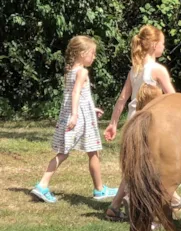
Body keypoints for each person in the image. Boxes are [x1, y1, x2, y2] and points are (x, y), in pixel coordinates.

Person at [101, 25, 181, 221]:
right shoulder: (157, 70)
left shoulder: (134, 70)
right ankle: (170, 199)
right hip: (150, 123)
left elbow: (122, 99)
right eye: (163, 43)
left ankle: (116, 205)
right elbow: (173, 97)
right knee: (154, 164)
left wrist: (113, 123)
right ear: (154, 45)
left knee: (136, 166)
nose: (164, 47)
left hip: (132, 120)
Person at [30, 36, 118, 204]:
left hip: (79, 115)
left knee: (92, 151)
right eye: (92, 53)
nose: (94, 57)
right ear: (82, 53)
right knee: (65, 152)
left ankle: (100, 189)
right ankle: (42, 185)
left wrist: (91, 109)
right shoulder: (82, 72)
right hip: (79, 119)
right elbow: (75, 93)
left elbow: (78, 95)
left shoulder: (71, 71)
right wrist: (76, 115)